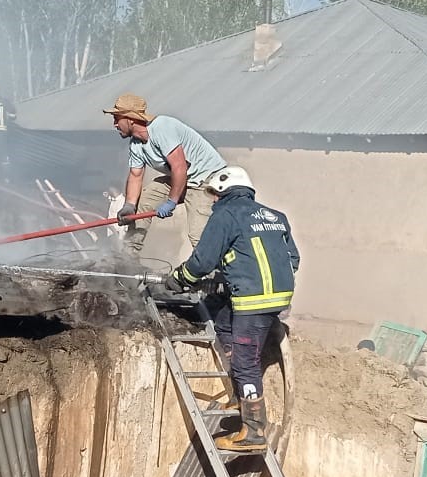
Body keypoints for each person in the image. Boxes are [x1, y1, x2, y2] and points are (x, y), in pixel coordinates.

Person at [163, 166, 299, 452]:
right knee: (223, 322)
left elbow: (202, 262)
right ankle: (241, 396)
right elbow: (292, 259)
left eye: (214, 194)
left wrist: (178, 280)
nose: (212, 200)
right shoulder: (275, 216)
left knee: (245, 362)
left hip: (253, 301)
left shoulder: (225, 215)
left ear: (224, 191)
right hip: (277, 296)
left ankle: (253, 431)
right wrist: (239, 274)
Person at [103, 93, 228, 273]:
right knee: (144, 200)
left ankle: (217, 276)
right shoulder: (136, 144)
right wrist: (129, 205)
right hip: (185, 177)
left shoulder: (162, 128)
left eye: (117, 118)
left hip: (206, 179)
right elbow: (136, 175)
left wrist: (171, 201)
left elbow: (179, 167)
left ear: (130, 119)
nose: (114, 124)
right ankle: (128, 257)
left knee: (197, 232)